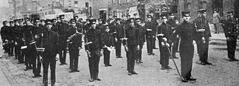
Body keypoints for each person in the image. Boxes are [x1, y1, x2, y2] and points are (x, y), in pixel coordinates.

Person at [175, 11, 197, 82]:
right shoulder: (180, 26)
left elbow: (195, 34)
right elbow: (175, 35)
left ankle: (189, 75)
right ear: (183, 18)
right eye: (185, 17)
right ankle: (183, 76)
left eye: (188, 17)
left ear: (190, 17)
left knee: (190, 60)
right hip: (183, 46)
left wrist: (194, 40)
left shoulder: (192, 25)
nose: (187, 18)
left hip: (190, 46)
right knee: (184, 61)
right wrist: (169, 41)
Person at [42, 19, 59, 86]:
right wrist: (40, 55)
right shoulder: (43, 34)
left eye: (50, 25)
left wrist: (57, 54)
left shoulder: (55, 34)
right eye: (47, 25)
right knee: (45, 69)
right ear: (46, 26)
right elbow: (41, 44)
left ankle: (53, 82)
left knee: (53, 69)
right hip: (45, 55)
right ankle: (45, 82)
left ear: (51, 26)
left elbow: (57, 44)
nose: (49, 26)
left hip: (53, 54)